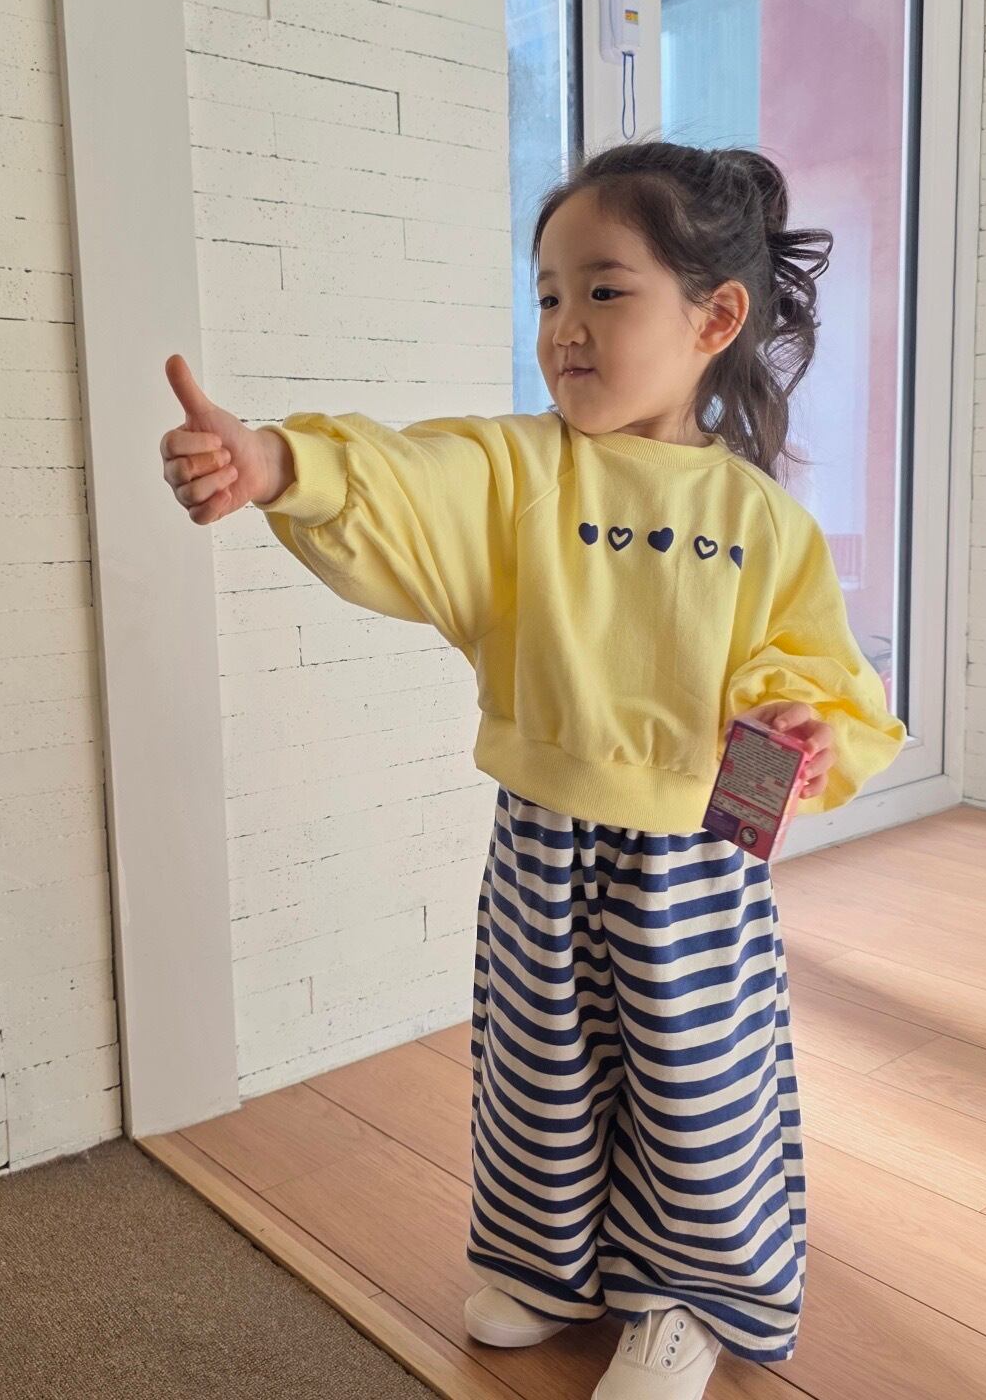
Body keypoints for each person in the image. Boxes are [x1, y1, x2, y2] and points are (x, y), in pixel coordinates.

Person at [158, 139, 908, 1400]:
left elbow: (814, 669)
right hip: (542, 840)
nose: (565, 323)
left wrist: (804, 720)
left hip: (690, 862)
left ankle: (686, 1297)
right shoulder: (520, 470)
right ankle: (546, 1263)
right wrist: (279, 463)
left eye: (604, 289)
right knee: (537, 1067)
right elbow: (410, 481)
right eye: (548, 292)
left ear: (714, 317)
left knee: (692, 1082)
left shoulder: (760, 520)